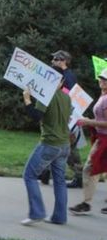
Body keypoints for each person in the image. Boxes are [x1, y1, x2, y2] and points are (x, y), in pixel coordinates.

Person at [21, 66, 71, 226]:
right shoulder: (67, 98)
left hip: (50, 144)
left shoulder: (46, 96)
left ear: (61, 81)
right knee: (60, 181)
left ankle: (37, 213)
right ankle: (59, 217)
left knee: (29, 175)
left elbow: (36, 116)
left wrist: (27, 99)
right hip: (64, 145)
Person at [39, 50, 84, 188]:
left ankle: (79, 177)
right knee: (53, 142)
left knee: (68, 148)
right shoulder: (60, 75)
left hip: (66, 118)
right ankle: (45, 173)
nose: (52, 61)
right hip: (59, 116)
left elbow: (71, 99)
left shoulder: (68, 77)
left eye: (55, 59)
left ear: (63, 61)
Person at [69, 68, 107, 215]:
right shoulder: (103, 95)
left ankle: (86, 203)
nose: (102, 81)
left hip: (105, 139)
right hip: (102, 138)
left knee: (89, 169)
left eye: (105, 79)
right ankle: (86, 202)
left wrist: (88, 122)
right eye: (101, 78)